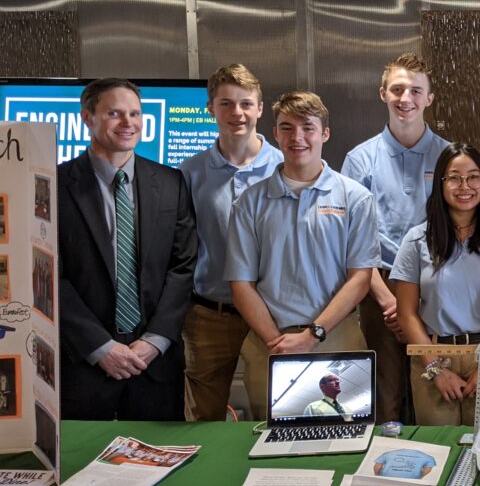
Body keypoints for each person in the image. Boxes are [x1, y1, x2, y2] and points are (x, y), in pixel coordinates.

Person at [225, 91, 379, 421]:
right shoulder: (250, 202)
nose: (298, 138)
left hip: (338, 340)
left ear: (325, 133)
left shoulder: (356, 199)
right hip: (270, 343)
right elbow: (241, 284)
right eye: (287, 127)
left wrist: (312, 336)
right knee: (273, 444)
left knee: (346, 438)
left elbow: (360, 278)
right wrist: (277, 342)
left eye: (308, 128)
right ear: (276, 133)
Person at [57, 78, 196, 420]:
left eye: (135, 113)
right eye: (114, 113)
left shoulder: (170, 182)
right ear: (87, 118)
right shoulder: (53, 184)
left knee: (161, 462)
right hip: (83, 360)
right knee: (83, 465)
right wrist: (99, 347)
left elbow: (183, 266)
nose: (128, 123)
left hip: (155, 362)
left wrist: (157, 339)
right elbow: (46, 272)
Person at [342, 54, 449, 425]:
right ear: (383, 93)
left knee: (436, 385)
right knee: (386, 390)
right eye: (398, 89)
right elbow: (354, 242)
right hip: (380, 289)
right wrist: (389, 301)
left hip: (438, 284)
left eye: (416, 90)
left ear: (429, 98)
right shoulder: (359, 160)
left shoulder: (449, 157)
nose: (406, 98)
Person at [391, 143, 480, 425]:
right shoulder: (417, 240)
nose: (465, 186)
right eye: (454, 178)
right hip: (434, 357)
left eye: (474, 177)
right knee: (439, 450)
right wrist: (435, 368)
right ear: (441, 183)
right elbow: (406, 313)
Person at [180, 63, 283, 421]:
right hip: (209, 315)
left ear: (259, 108)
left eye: (245, 103)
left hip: (275, 314)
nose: (236, 113)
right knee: (202, 419)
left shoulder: (287, 167)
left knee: (274, 414)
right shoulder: (188, 173)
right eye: (225, 104)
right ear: (211, 109)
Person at [372, 447, 437, 479]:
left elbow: (377, 466)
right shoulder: (428, 457)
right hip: (412, 479)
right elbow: (427, 469)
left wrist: (377, 476)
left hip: (386, 477)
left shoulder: (388, 454)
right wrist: (419, 476)